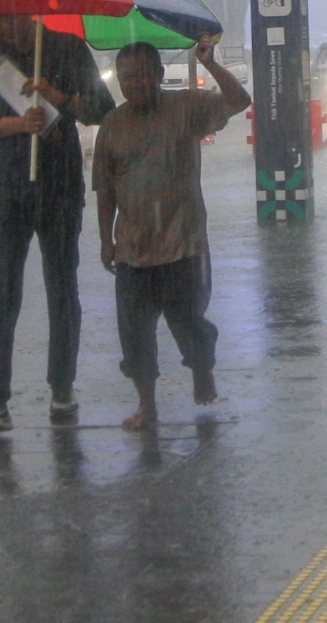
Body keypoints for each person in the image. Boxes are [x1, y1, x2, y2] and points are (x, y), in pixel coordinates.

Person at [0, 14, 115, 432]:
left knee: (61, 285)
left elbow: (102, 109)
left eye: (9, 16)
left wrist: (56, 94)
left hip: (59, 184)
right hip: (7, 185)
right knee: (2, 289)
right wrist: (11, 125)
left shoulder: (68, 49)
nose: (2, 26)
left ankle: (62, 389)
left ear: (28, 9)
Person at [92, 35, 251, 431]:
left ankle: (202, 368)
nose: (134, 85)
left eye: (143, 76)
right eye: (126, 78)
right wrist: (105, 239)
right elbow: (105, 188)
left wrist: (210, 63)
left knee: (189, 323)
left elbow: (239, 101)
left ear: (160, 75)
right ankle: (147, 405)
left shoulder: (186, 107)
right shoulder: (112, 124)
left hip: (184, 243)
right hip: (134, 249)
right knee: (135, 333)